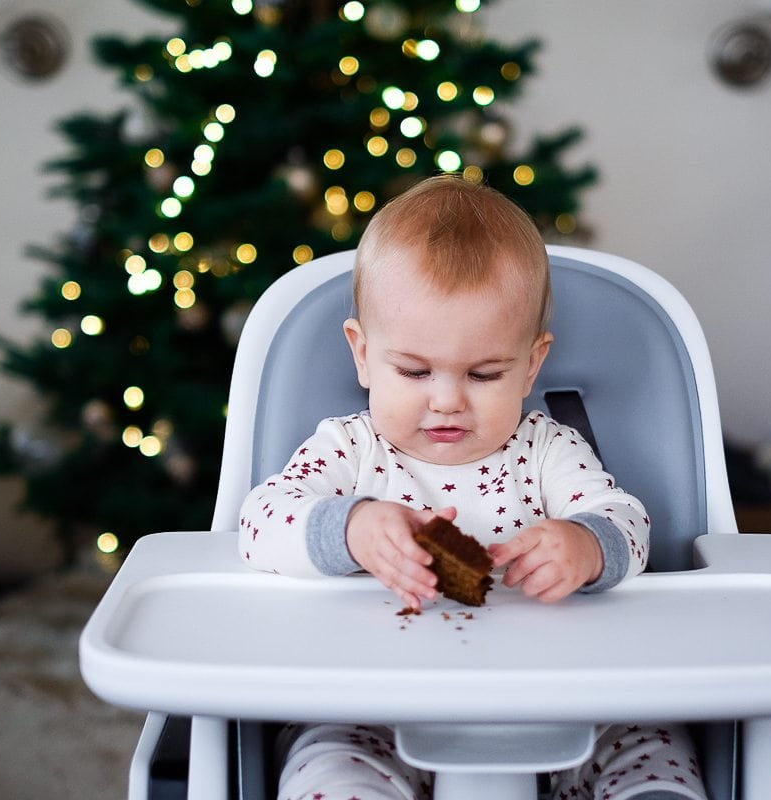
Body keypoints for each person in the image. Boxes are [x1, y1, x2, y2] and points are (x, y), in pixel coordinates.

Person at [238, 175, 707, 800]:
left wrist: (587, 545)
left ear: (532, 364)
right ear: (362, 353)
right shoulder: (350, 449)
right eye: (413, 370)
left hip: (560, 707)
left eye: (485, 373)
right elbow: (260, 521)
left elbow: (624, 518)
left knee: (652, 744)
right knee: (324, 755)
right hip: (375, 707)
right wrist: (349, 529)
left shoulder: (546, 450)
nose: (447, 401)